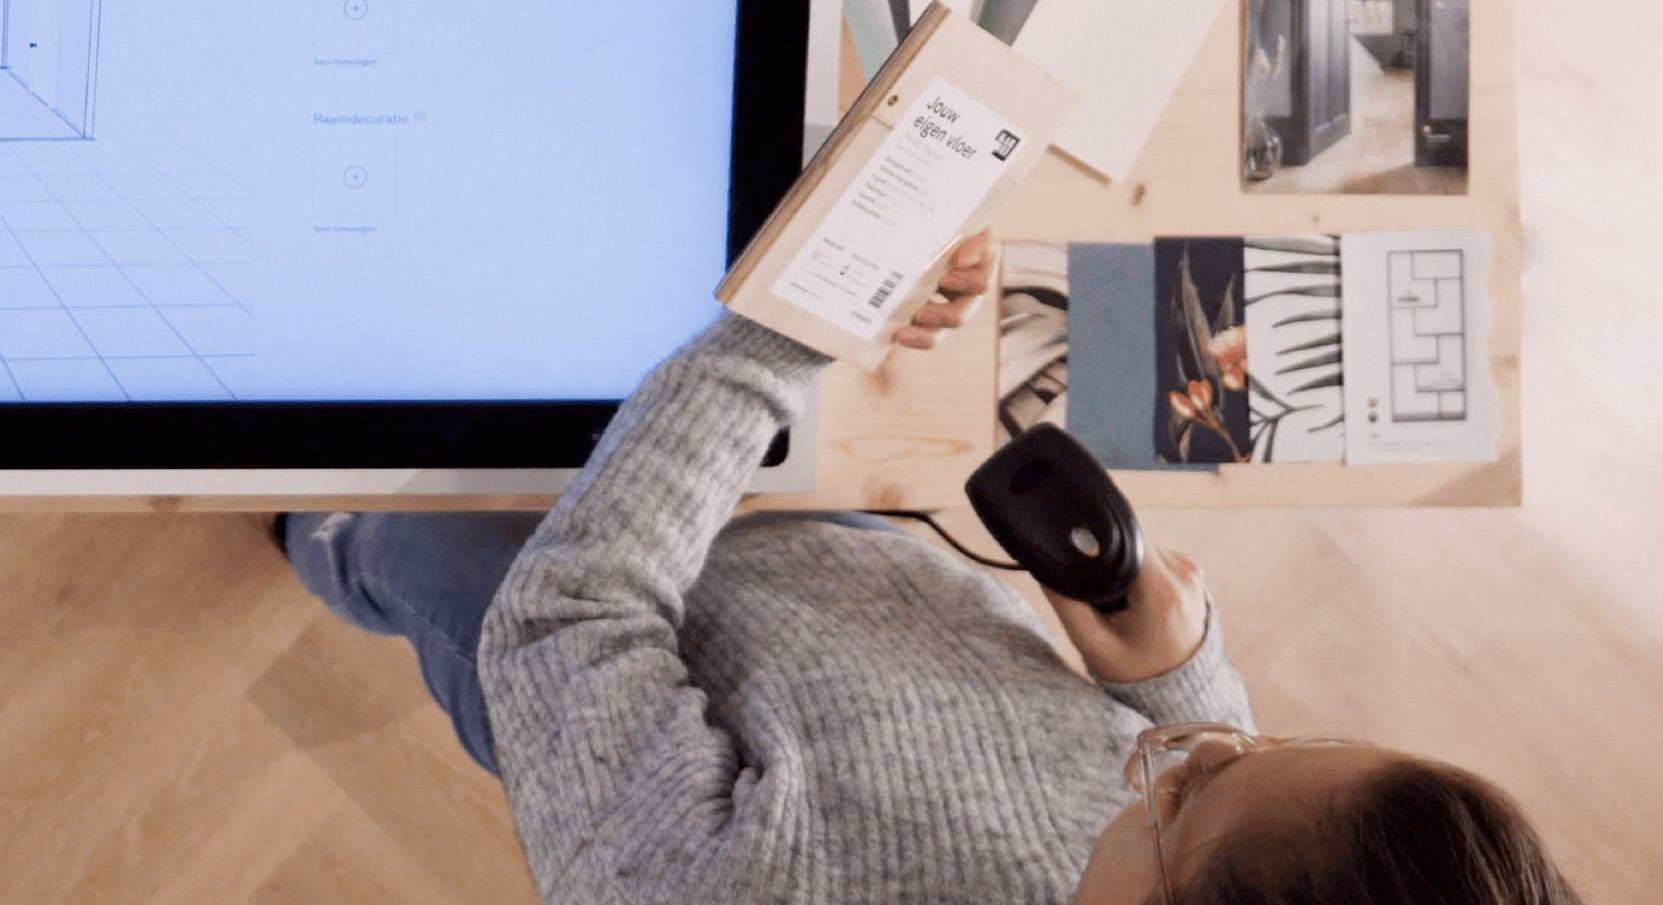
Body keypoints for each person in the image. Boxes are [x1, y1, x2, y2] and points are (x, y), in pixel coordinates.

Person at [282, 232, 1585, 904]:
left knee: (407, 528)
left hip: (546, 610)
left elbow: (570, 615)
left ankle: (321, 539)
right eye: (1280, 740)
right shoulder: (1201, 807)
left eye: (1187, 797)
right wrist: (1186, 688)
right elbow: (1227, 786)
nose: (1196, 749)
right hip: (817, 567)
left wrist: (794, 324)